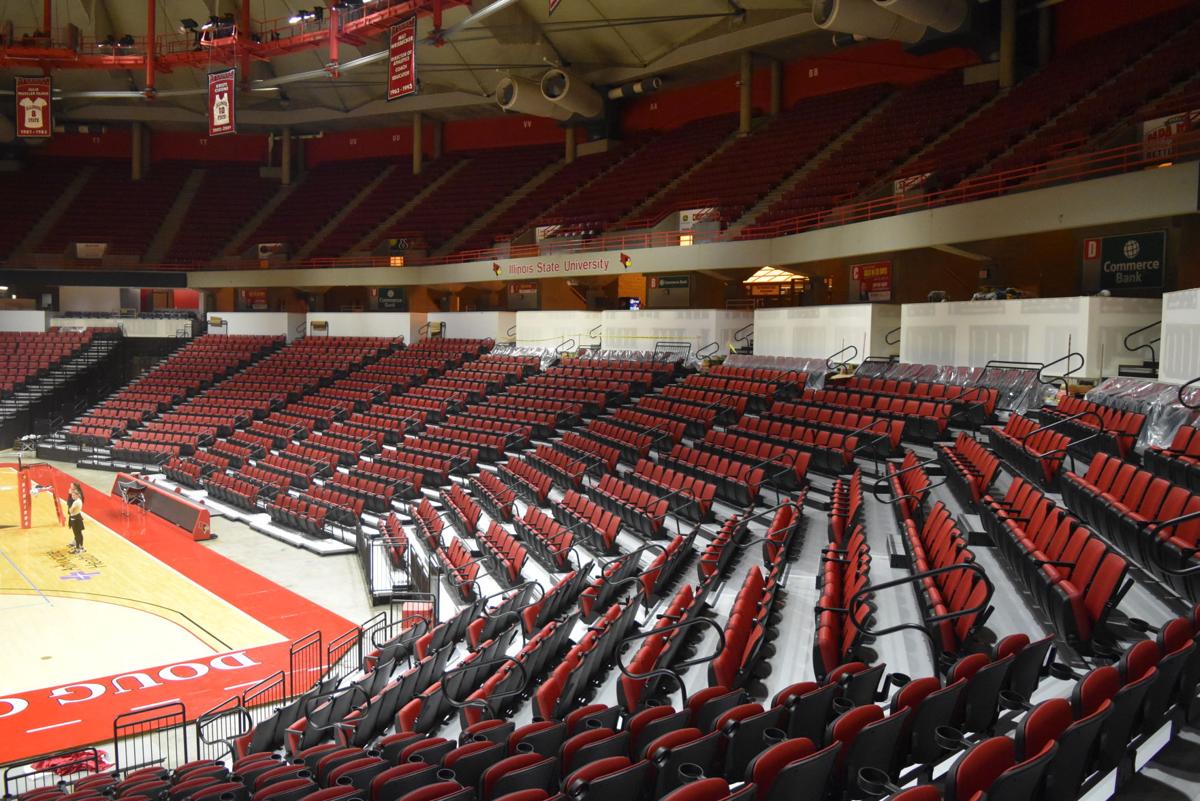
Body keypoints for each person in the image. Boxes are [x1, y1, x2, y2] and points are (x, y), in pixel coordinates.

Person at [67, 484, 85, 553]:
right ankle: (81, 547)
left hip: (75, 519)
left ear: (77, 495)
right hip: (78, 517)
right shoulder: (79, 500)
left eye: (73, 495)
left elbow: (70, 511)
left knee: (77, 534)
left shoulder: (75, 502)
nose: (72, 496)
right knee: (79, 534)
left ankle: (77, 549)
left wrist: (70, 507)